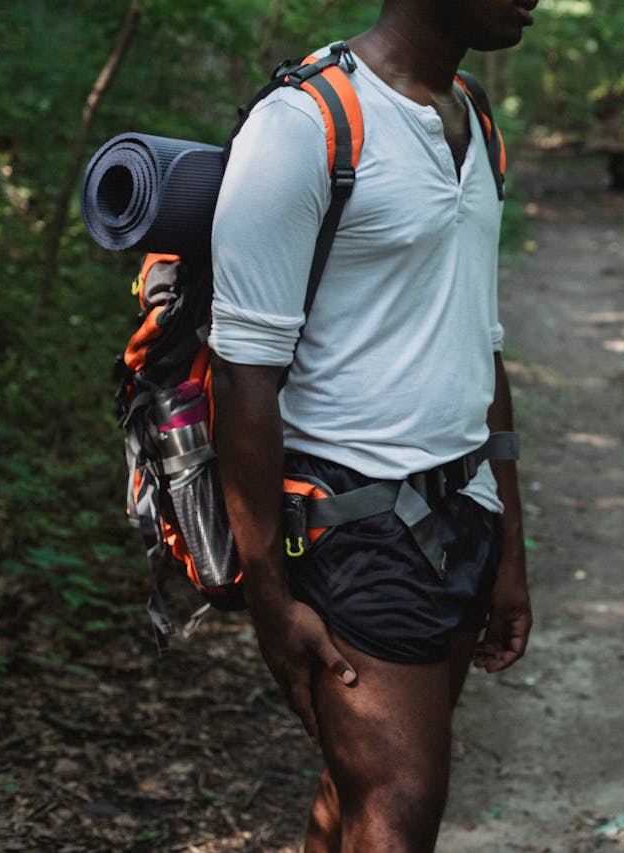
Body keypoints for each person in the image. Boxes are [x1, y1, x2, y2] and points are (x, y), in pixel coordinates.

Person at [208, 1, 536, 849]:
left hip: (462, 504)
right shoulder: (304, 124)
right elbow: (243, 374)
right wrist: (268, 596)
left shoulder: (475, 116)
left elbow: (480, 339)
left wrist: (510, 543)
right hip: (349, 519)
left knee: (356, 791)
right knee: (401, 801)